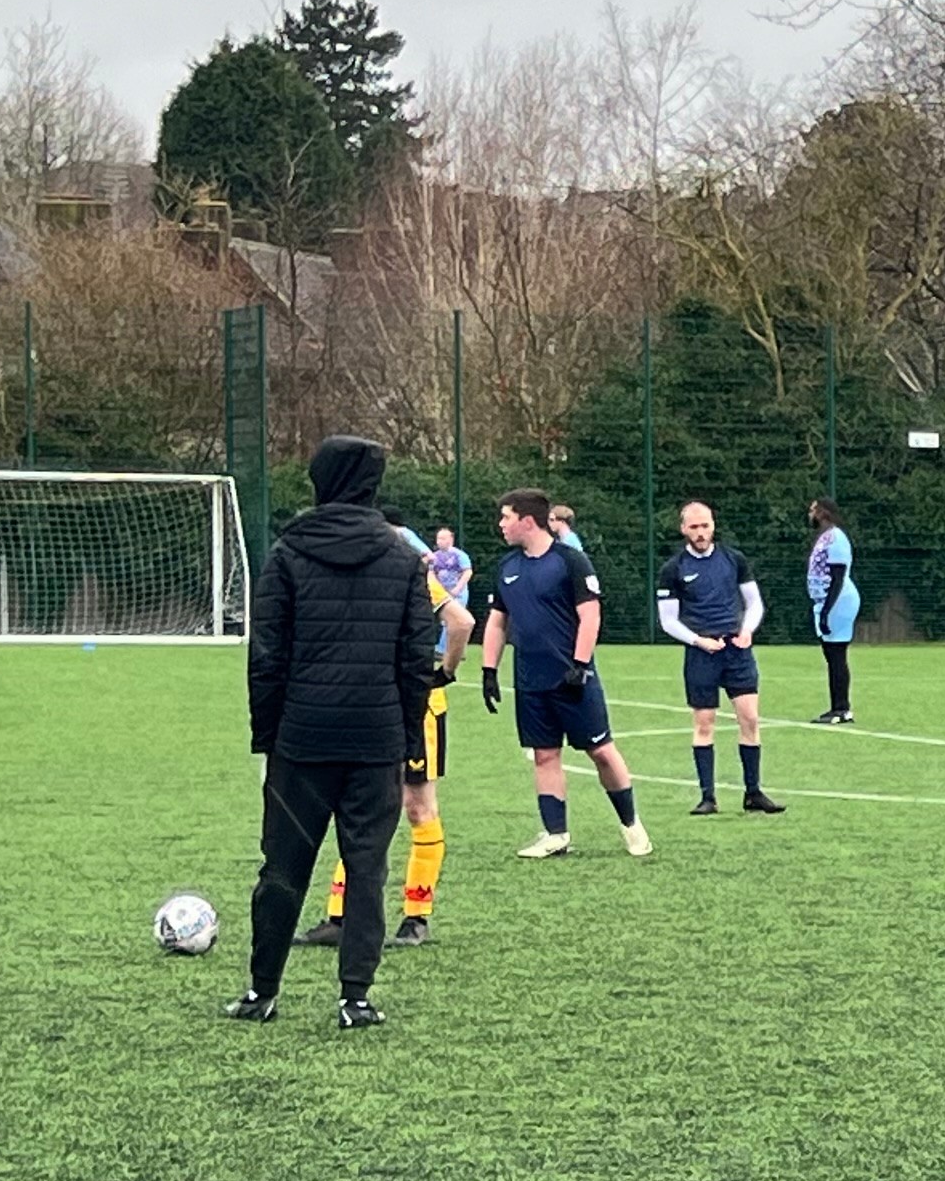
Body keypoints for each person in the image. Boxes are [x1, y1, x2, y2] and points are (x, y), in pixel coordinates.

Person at [228, 435, 442, 1028]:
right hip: (374, 742)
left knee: (282, 868)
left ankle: (261, 991)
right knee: (366, 869)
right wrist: (404, 740)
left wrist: (268, 736)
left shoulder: (288, 553)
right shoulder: (402, 559)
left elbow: (266, 656)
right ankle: (355, 998)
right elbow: (413, 659)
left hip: (302, 740)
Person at [306, 511, 474, 951]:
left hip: (414, 707)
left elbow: (461, 622)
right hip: (377, 703)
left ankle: (416, 917)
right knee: (360, 806)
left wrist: (444, 673)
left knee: (417, 806)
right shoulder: (373, 575)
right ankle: (340, 916)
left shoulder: (413, 574)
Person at [472, 487, 653, 860]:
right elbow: (497, 623)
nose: (501, 524)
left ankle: (632, 825)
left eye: (506, 517)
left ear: (526, 520)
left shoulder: (571, 561)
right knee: (544, 755)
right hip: (530, 680)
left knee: (601, 751)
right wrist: (489, 669)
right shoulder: (507, 567)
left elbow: (591, 615)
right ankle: (556, 834)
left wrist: (580, 664)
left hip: (572, 678)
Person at [656, 500, 784, 815]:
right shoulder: (673, 569)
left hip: (736, 652)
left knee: (750, 719)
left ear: (713, 525)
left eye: (705, 525)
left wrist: (747, 630)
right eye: (694, 527)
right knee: (704, 722)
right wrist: (698, 641)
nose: (700, 532)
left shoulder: (734, 559)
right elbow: (668, 620)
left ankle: (753, 793)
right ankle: (708, 797)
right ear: (683, 529)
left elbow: (754, 602)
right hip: (702, 655)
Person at [805, 498, 860, 723]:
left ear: (822, 512)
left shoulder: (836, 538)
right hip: (827, 602)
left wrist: (827, 611)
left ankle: (841, 708)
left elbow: (837, 577)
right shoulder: (825, 537)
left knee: (836, 654)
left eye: (812, 510)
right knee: (831, 655)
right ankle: (838, 707)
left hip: (838, 601)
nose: (810, 514)